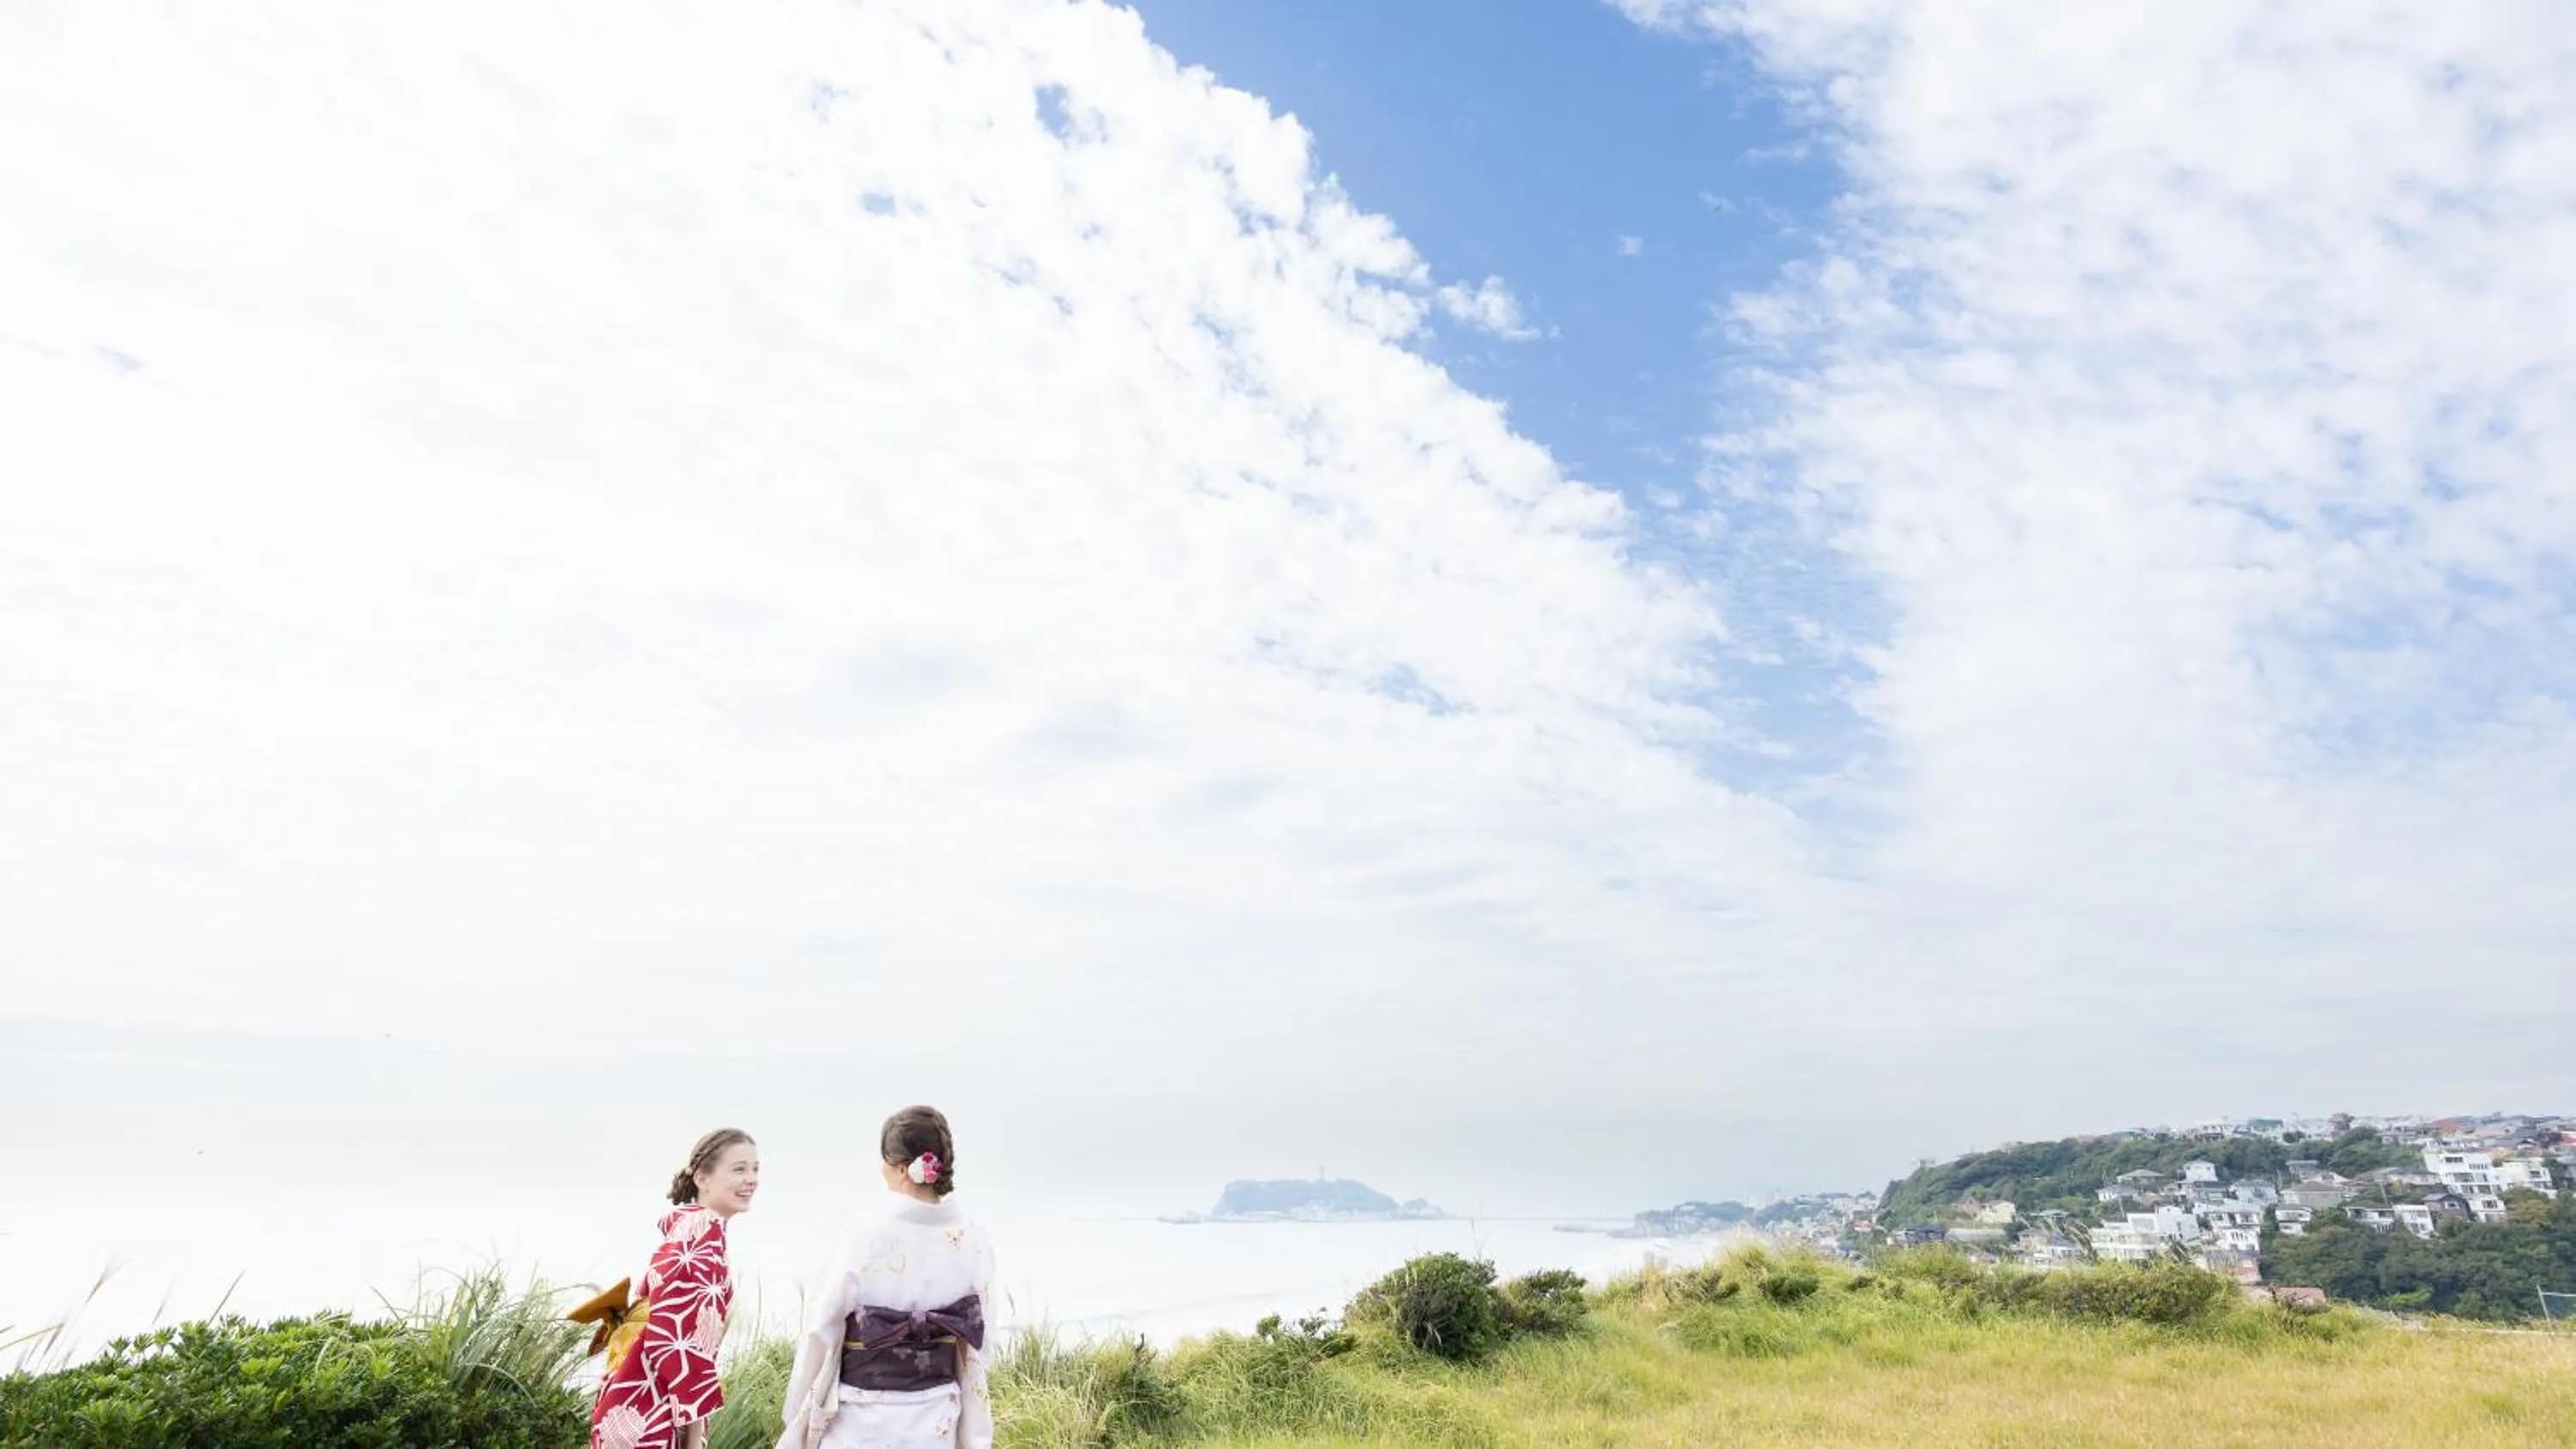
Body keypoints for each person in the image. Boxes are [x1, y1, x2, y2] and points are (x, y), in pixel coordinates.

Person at [777, 1106, 996, 1449]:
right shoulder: (973, 1238)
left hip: (862, 1415)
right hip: (937, 1412)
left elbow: (822, 1326)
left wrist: (798, 1409)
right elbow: (982, 1339)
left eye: (884, 1161)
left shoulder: (863, 1234)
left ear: (901, 1169)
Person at [591, 1128, 760, 1449]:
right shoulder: (704, 1226)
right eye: (738, 1169)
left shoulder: (687, 1225)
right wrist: (695, 1436)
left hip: (630, 1393)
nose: (751, 1179)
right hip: (652, 1405)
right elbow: (679, 1336)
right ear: (702, 1178)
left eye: (755, 1169)